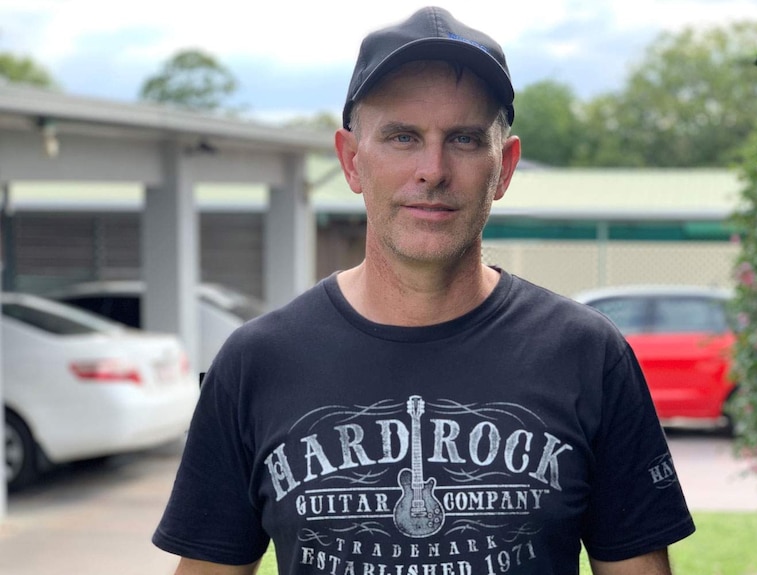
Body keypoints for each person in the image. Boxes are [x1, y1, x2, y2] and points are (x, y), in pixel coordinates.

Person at [152, 6, 695, 574]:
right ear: (351, 161)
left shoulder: (587, 354)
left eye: (463, 138)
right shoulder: (255, 362)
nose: (432, 170)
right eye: (402, 137)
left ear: (504, 168)